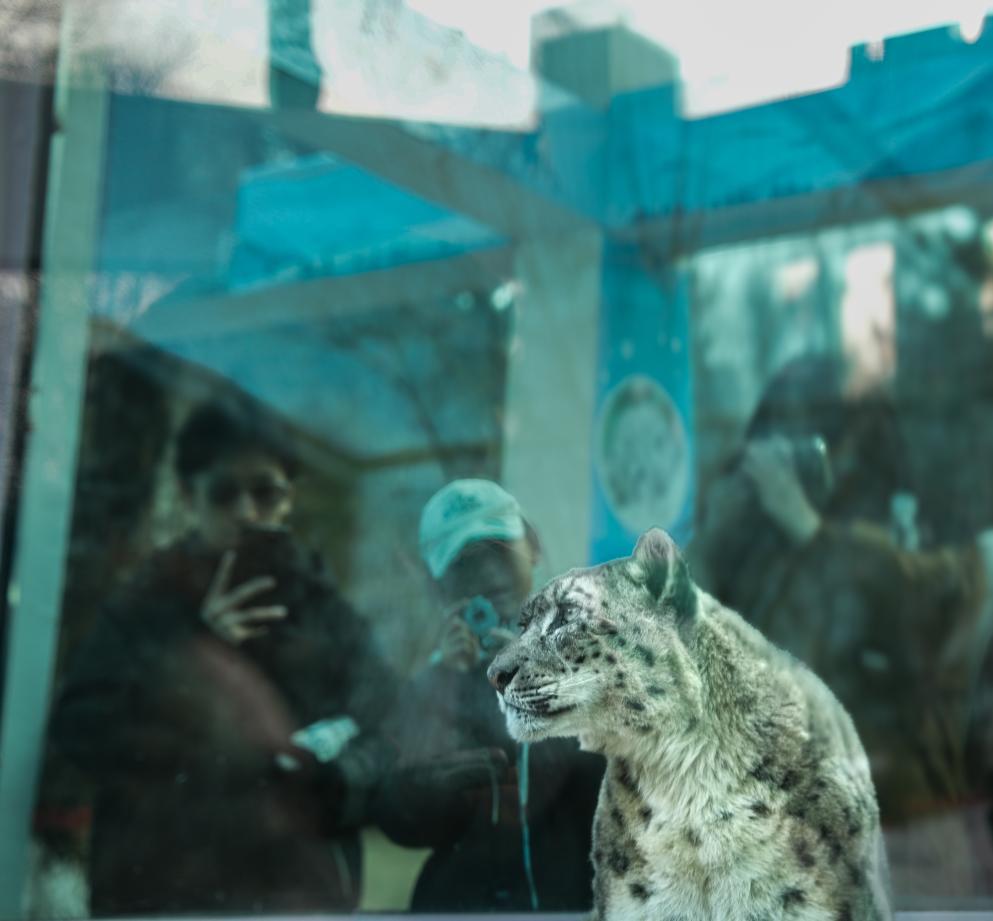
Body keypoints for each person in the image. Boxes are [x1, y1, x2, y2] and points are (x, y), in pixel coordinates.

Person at [48, 401, 399, 915]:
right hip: (164, 889)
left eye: (265, 492)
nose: (246, 512)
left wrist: (339, 781)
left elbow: (389, 723)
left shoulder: (326, 611)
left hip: (292, 888)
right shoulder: (144, 606)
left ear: (289, 498)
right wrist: (190, 655)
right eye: (224, 493)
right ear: (188, 495)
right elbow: (79, 730)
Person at [688, 371, 993, 901]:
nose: (798, 472)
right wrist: (717, 528)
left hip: (905, 844)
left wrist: (810, 529)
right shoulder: (760, 567)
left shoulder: (904, 548)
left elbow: (926, 611)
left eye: (813, 451)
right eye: (777, 454)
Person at [375, 479, 604, 912]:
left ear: (533, 547)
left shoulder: (594, 659)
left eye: (498, 552)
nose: (486, 575)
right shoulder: (432, 683)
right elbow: (402, 820)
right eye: (464, 565)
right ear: (438, 588)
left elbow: (615, 790)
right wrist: (443, 682)